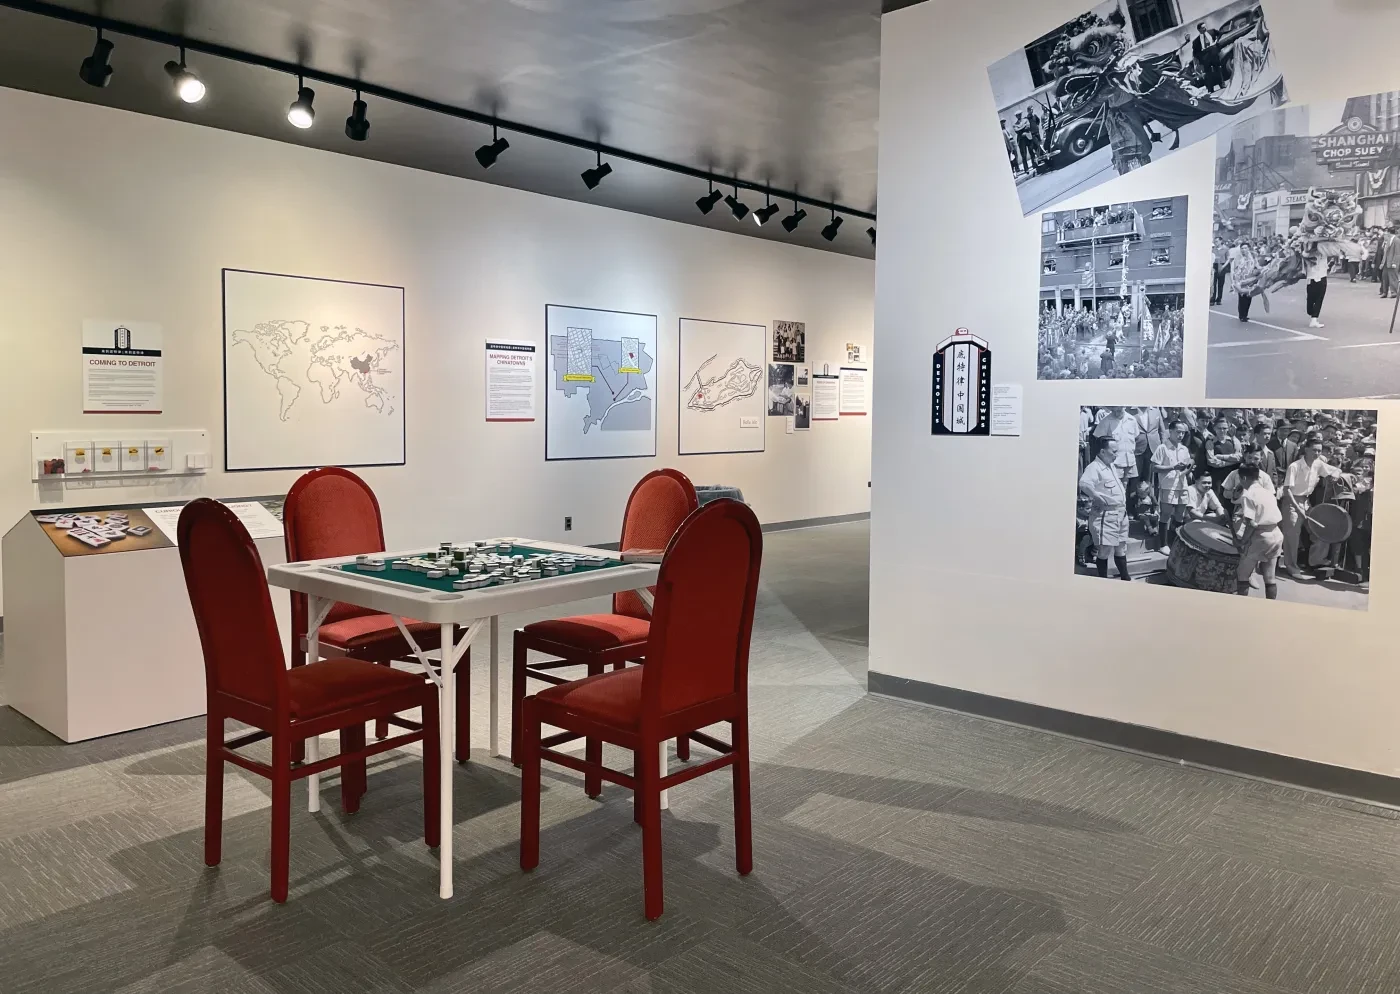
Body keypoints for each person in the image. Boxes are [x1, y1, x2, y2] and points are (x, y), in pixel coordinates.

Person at [1279, 435, 1340, 579]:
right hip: (1291, 502)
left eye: (1319, 451)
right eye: (1314, 450)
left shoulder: (1318, 464)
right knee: (1292, 536)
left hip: (1306, 502)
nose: (1317, 454)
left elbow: (1335, 470)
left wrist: (1336, 475)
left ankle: (1315, 561)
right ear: (1306, 449)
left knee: (1319, 530)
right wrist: (1297, 508)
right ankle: (1291, 567)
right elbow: (1287, 490)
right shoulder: (1295, 466)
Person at [1079, 437, 1131, 580]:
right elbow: (1084, 484)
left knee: (1121, 547)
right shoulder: (1094, 467)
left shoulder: (1111, 466)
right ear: (1102, 451)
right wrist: (1096, 496)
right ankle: (1102, 580)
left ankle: (1125, 578)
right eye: (1114, 451)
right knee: (1104, 550)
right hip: (1106, 515)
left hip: (1120, 513)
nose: (1116, 454)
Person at [1232, 462, 1283, 599]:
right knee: (1270, 576)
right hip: (1276, 534)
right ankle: (1270, 607)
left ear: (1243, 478)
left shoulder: (1248, 495)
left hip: (1261, 536)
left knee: (1242, 574)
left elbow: (1251, 523)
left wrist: (1242, 541)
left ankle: (1242, 608)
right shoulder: (1268, 492)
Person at [1152, 420, 1193, 553]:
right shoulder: (1162, 448)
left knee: (1180, 515)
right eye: (1178, 432)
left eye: (1183, 433)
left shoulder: (1184, 449)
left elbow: (1187, 467)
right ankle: (1163, 545)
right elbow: (1154, 467)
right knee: (1166, 514)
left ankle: (1175, 544)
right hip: (1168, 485)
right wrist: (1172, 467)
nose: (1181, 435)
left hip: (1182, 485)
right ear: (1170, 432)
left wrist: (1186, 470)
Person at [1191, 21, 1223, 93]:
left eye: (1205, 27)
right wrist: (1201, 59)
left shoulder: (1212, 32)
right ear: (1199, 30)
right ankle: (1210, 89)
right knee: (1208, 74)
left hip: (1213, 53)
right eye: (1202, 28)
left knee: (1217, 69)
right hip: (1205, 56)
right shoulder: (1196, 41)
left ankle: (1222, 84)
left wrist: (1216, 41)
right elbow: (1195, 53)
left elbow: (1220, 33)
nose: (1204, 29)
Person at [1232, 242, 1259, 322]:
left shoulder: (1252, 257)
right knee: (1242, 297)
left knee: (1249, 297)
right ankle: (1241, 315)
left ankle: (1245, 314)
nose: (1244, 250)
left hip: (1250, 279)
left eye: (1245, 248)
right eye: (1242, 248)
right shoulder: (1238, 257)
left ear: (1248, 248)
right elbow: (1235, 269)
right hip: (1241, 280)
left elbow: (1256, 265)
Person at [1304, 249, 1328, 329]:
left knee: (1318, 299)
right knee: (1312, 299)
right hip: (1313, 277)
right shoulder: (1308, 253)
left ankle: (1314, 319)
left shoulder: (1325, 252)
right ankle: (1312, 315)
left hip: (1321, 276)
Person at [1211, 238, 1231, 305]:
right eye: (1215, 241)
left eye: (1217, 241)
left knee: (1220, 284)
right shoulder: (1213, 250)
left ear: (1220, 241)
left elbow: (1228, 259)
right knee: (1213, 283)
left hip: (1222, 265)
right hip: (1214, 265)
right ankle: (1212, 298)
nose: (1216, 242)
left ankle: (1219, 299)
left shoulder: (1225, 249)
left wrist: (1223, 266)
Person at [1382, 225, 1400, 299]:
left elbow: (1397, 253)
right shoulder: (1388, 240)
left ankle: (1394, 292)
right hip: (1386, 261)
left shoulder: (1397, 240)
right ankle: (1384, 292)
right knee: (1384, 277)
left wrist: (1394, 262)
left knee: (1393, 278)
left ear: (1389, 232)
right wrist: (1382, 262)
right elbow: (1385, 252)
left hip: (1392, 262)